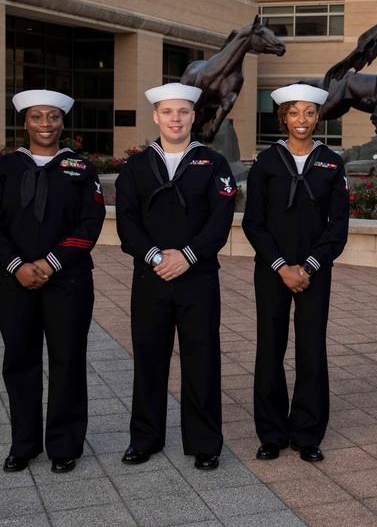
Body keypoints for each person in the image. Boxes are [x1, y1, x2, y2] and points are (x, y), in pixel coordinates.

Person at [0, 89, 106, 474]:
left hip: (68, 282)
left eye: (52, 117)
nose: (45, 124)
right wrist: (18, 265)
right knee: (20, 360)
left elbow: (91, 223)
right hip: (12, 280)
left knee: (68, 360)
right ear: (25, 123)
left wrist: (50, 263)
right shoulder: (3, 168)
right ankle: (24, 444)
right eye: (36, 117)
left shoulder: (81, 170)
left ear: (62, 122)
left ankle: (64, 444)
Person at [115, 82, 237, 471]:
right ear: (156, 116)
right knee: (149, 359)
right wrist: (155, 257)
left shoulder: (213, 163)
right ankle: (145, 439)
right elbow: (126, 221)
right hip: (150, 278)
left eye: (183, 112)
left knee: (202, 360)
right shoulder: (135, 165)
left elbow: (220, 221)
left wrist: (187, 256)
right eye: (168, 112)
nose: (175, 119)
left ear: (193, 116)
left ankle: (204, 442)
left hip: (197, 278)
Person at [242, 83, 350, 463]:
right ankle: (271, 433)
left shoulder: (332, 163)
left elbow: (338, 227)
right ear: (283, 117)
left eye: (308, 112)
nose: (301, 120)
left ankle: (307, 433)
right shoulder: (266, 162)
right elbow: (253, 222)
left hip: (314, 273)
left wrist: (309, 266)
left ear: (318, 117)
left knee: (311, 350)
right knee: (270, 348)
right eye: (294, 112)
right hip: (273, 270)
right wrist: (281, 266)